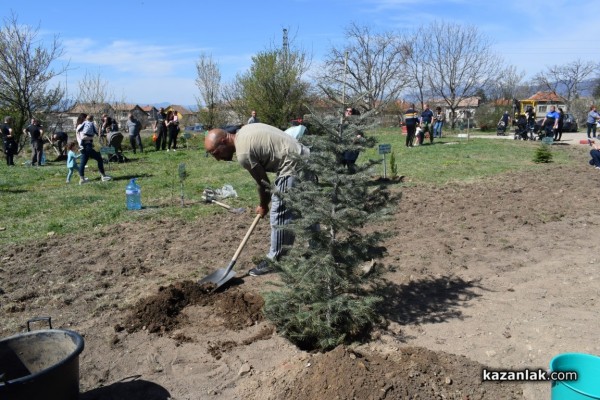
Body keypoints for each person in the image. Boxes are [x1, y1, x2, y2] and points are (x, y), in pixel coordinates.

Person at [204, 122, 310, 276]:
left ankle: (276, 261)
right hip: (304, 156)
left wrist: (263, 205)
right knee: (307, 208)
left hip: (292, 165)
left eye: (215, 153)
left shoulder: (243, 153)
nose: (217, 159)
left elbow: (264, 184)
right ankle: (318, 247)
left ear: (224, 141)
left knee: (280, 213)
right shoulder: (245, 130)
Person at [75, 113, 112, 184]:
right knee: (99, 159)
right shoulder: (82, 126)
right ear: (83, 118)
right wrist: (92, 137)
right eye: (85, 118)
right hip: (86, 146)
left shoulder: (80, 126)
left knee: (83, 163)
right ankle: (103, 176)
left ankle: (82, 179)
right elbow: (84, 137)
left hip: (83, 147)